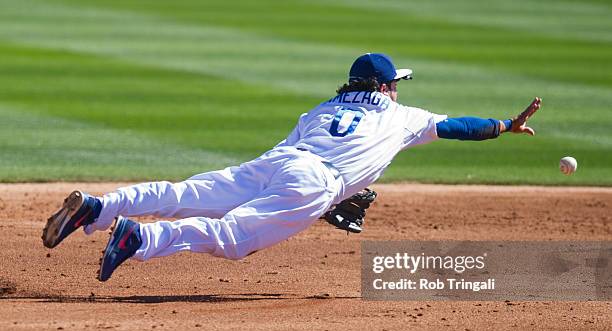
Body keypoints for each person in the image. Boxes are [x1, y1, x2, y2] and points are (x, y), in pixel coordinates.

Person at [42, 53, 541, 282]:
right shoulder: (405, 116)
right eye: (397, 83)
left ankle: (100, 206)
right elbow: (459, 126)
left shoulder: (321, 108)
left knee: (184, 192)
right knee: (232, 237)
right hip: (317, 180)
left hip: (280, 160)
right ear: (386, 87)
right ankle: (139, 239)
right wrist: (504, 125)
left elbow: (290, 157)